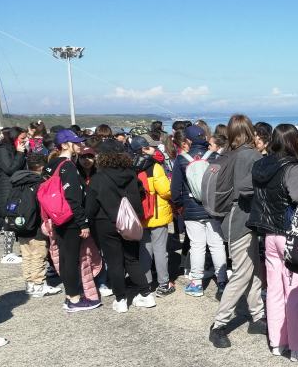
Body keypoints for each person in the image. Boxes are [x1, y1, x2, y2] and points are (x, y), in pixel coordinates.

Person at [249, 124, 298, 362]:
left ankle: (278, 341)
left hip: (269, 234)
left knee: (275, 290)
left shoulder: (261, 164)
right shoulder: (292, 166)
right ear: (291, 140)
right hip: (291, 233)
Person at [209, 115, 266, 349]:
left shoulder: (227, 154)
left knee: (253, 268)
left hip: (229, 218)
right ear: (250, 131)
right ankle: (218, 324)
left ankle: (257, 315)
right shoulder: (250, 155)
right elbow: (245, 187)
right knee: (243, 272)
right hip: (241, 219)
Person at [86, 139, 156, 313]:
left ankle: (121, 299)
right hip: (129, 221)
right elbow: (139, 195)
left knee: (114, 262)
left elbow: (91, 206)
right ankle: (146, 295)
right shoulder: (131, 173)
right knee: (131, 259)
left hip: (106, 222)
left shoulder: (98, 178)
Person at [45, 129, 100, 312]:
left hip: (57, 217)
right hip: (70, 220)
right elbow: (73, 198)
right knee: (70, 259)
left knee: (65, 257)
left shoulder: (52, 164)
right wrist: (83, 222)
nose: (79, 145)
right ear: (65, 145)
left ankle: (70, 296)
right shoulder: (68, 166)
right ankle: (75, 300)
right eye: (75, 143)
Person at [171, 126, 228, 297]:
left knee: (197, 246)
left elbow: (175, 191)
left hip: (191, 209)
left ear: (187, 140)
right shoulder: (217, 157)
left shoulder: (181, 160)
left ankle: (196, 283)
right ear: (205, 138)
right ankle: (222, 280)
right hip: (213, 209)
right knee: (217, 244)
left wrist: (183, 206)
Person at [130, 136, 174, 297]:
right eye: (148, 147)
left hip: (140, 215)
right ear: (143, 149)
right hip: (157, 213)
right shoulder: (154, 167)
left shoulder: (131, 167)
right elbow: (165, 191)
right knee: (160, 250)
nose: (152, 149)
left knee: (144, 250)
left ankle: (146, 283)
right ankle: (163, 284)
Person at [12, 155, 61, 298]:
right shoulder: (39, 182)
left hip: (20, 224)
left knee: (27, 255)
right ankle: (39, 284)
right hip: (36, 224)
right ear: (41, 167)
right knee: (39, 255)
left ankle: (30, 284)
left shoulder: (18, 180)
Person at [0, 127, 27, 263]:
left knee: (14, 219)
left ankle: (19, 249)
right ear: (14, 138)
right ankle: (7, 253)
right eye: (22, 138)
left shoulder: (15, 149)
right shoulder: (2, 150)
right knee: (8, 219)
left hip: (15, 189)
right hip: (6, 189)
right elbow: (10, 169)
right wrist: (20, 154)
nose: (24, 141)